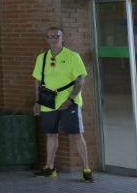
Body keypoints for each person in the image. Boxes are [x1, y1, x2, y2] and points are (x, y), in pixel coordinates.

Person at [32, 26, 92, 182]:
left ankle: (86, 169)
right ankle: (49, 167)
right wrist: (37, 101)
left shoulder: (73, 56)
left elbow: (80, 80)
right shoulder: (42, 58)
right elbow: (37, 81)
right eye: (49, 37)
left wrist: (70, 99)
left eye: (56, 36)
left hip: (69, 103)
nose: (53, 39)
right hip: (48, 103)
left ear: (62, 38)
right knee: (51, 135)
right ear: (46, 39)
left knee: (77, 135)